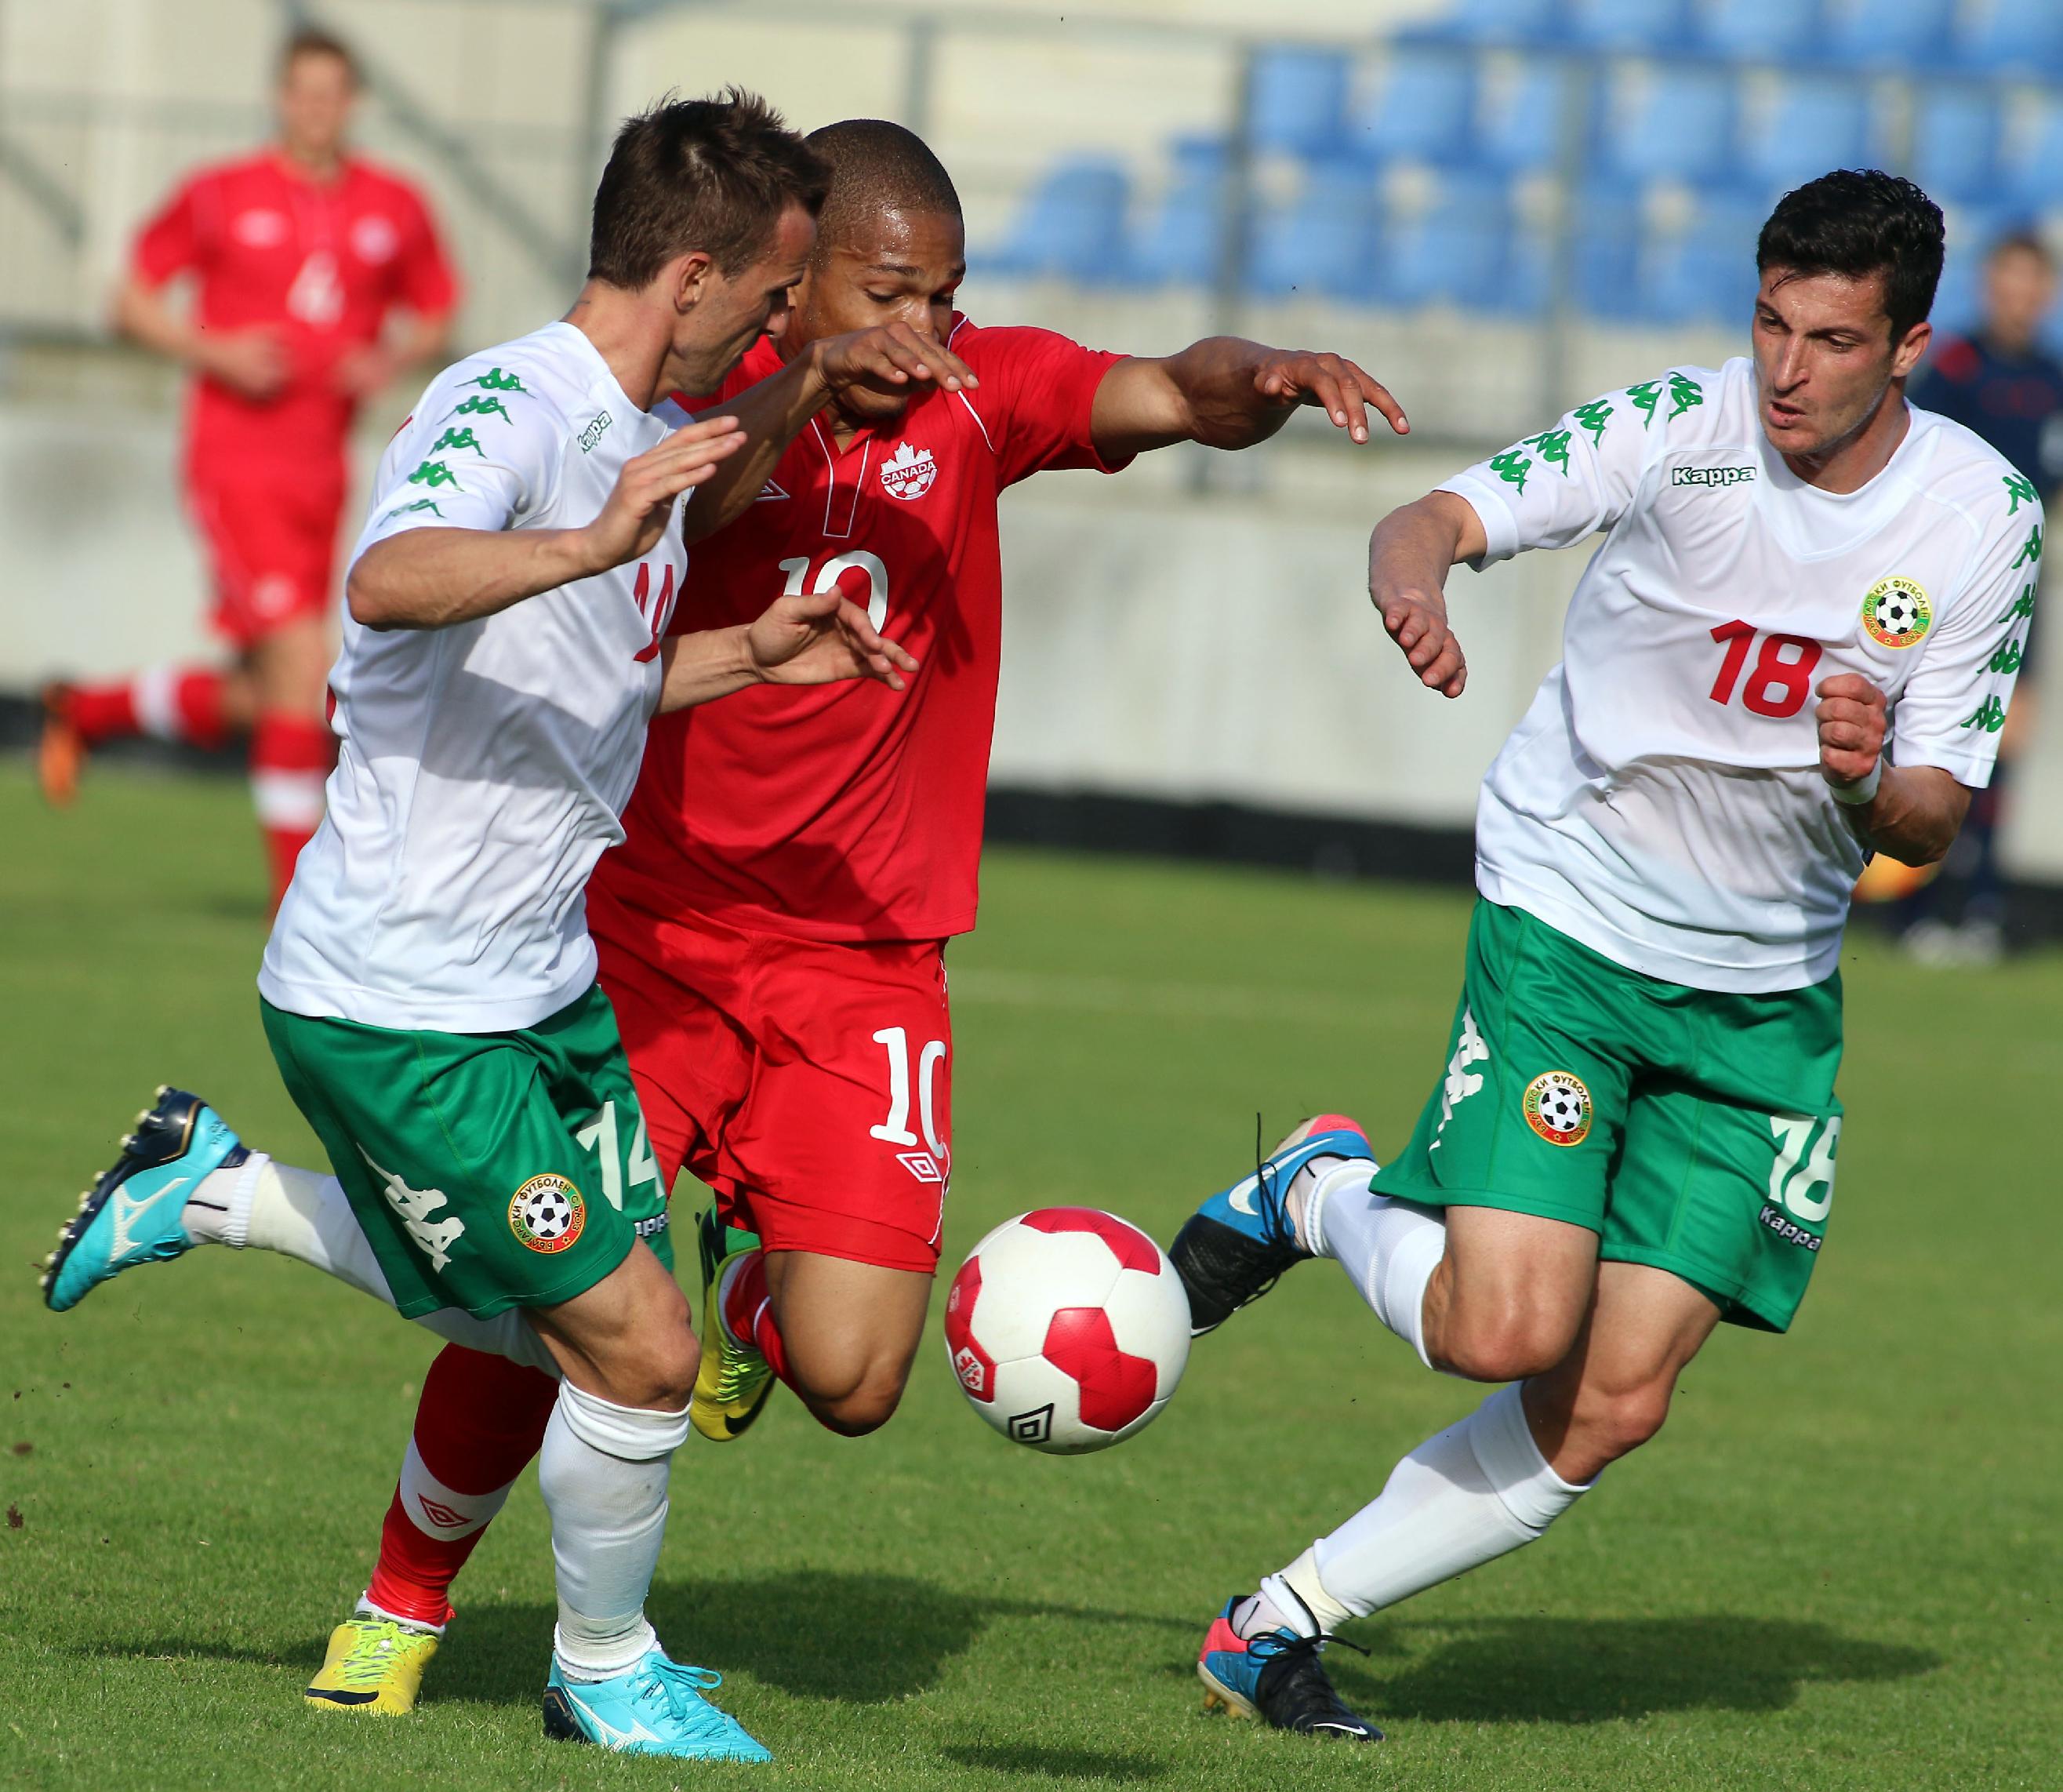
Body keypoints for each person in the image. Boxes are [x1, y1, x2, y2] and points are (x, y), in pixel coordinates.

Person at [231, 117, 1408, 1717]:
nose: (927, 330)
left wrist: (1255, 375)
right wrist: (788, 405)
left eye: (948, 293)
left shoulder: (975, 393)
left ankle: (744, 1296)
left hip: (864, 955)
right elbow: (644, 538)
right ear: (794, 290)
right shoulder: (678, 409)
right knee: (559, 1300)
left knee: (851, 1379)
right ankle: (403, 1595)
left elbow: (1160, 387)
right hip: (643, 932)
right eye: (889, 294)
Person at [39, 93, 979, 1761]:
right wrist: (599, 535)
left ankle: (225, 1189)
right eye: (772, 300)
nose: (786, 334)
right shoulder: (518, 404)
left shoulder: (648, 433)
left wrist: (747, 653)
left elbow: (585, 685)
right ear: (687, 276)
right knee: (639, 1338)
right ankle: (601, 1667)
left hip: (539, 990)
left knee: (543, 1318)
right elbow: (390, 578)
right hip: (403, 998)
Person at [1167, 169, 2034, 1742]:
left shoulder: (1983, 516)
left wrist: (1862, 777)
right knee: (1502, 1326)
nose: (1784, 367)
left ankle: (1275, 1620)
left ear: (1905, 346)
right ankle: (1312, 1188)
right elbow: (1427, 513)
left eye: (1829, 339)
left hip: (1763, 988)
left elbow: (1938, 806)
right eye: (1769, 322)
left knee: (1613, 1393)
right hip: (1570, 914)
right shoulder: (1674, 425)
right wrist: (1414, 581)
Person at [38, 27, 459, 911]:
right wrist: (212, 348)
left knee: (274, 686)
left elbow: (436, 309)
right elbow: (130, 299)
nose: (316, 109)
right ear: (280, 98)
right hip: (235, 465)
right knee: (303, 663)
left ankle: (88, 712)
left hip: (325, 473)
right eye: (302, 91)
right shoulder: (221, 194)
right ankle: (296, 899)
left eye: (332, 93)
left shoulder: (393, 204)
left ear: (353, 104)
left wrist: (389, 359)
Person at [1890, 230, 2063, 962]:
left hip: (2017, 582)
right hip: (1946, 578)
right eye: (2009, 279)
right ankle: (1919, 903)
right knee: (1930, 730)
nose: (2019, 294)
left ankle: (1982, 902)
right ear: (1991, 284)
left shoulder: (2054, 376)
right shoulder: (1955, 366)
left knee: (2006, 738)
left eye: (2033, 282)